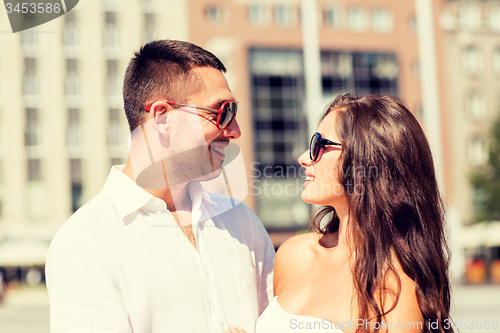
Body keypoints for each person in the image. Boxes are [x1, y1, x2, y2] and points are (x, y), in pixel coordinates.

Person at [46, 40, 275, 333]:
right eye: (222, 112)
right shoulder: (85, 244)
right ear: (162, 117)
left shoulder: (243, 223)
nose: (235, 130)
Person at [228, 94, 453, 333]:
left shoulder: (395, 289)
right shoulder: (293, 254)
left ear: (367, 159)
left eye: (318, 145)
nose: (304, 158)